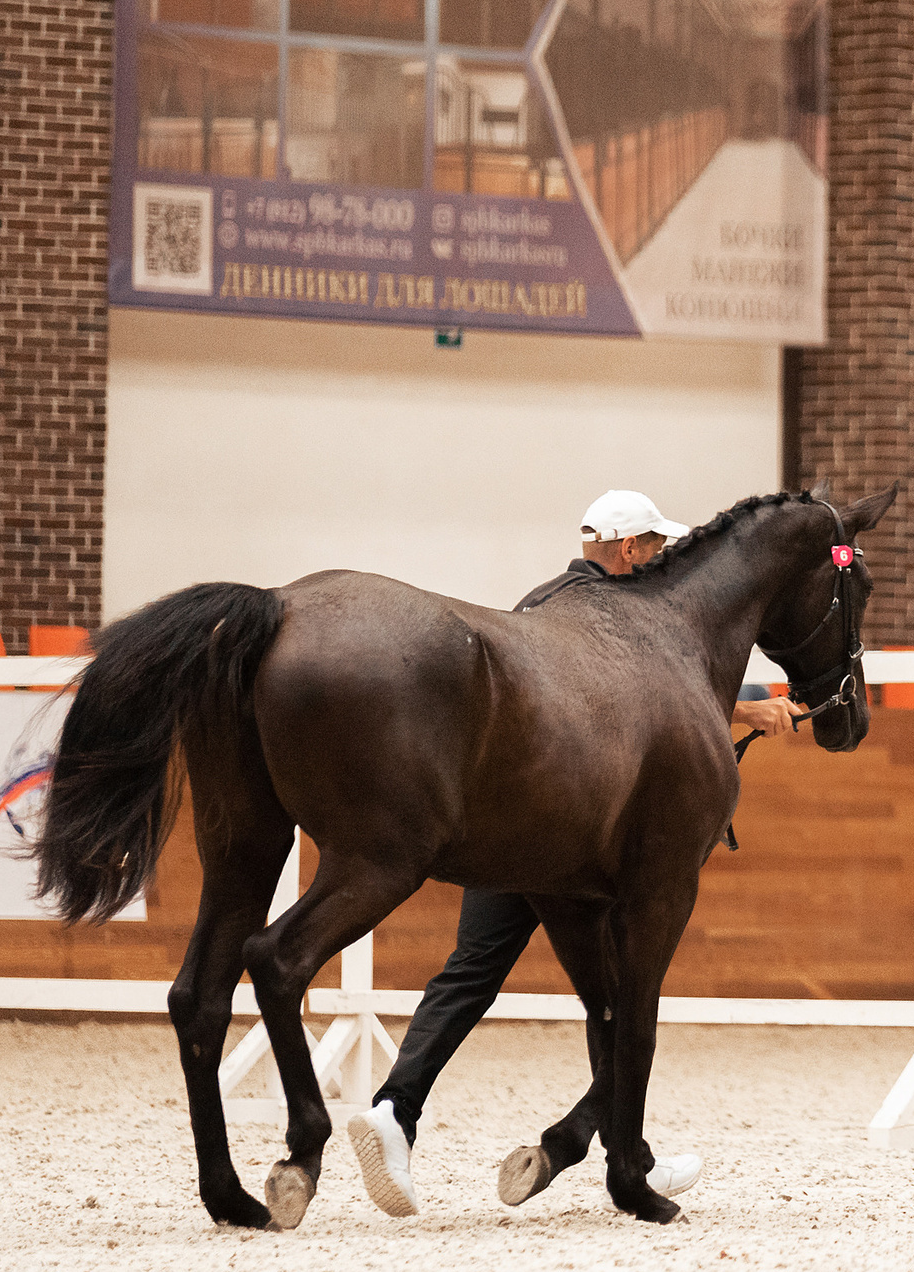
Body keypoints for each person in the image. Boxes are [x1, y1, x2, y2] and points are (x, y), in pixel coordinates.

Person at [346, 490, 807, 1217]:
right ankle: (609, 1147)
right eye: (657, 549)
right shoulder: (615, 619)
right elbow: (638, 704)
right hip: (570, 830)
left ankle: (397, 1109)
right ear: (629, 550)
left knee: (472, 971)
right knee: (619, 992)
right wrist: (749, 709)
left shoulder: (542, 599)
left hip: (508, 820)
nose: (664, 563)